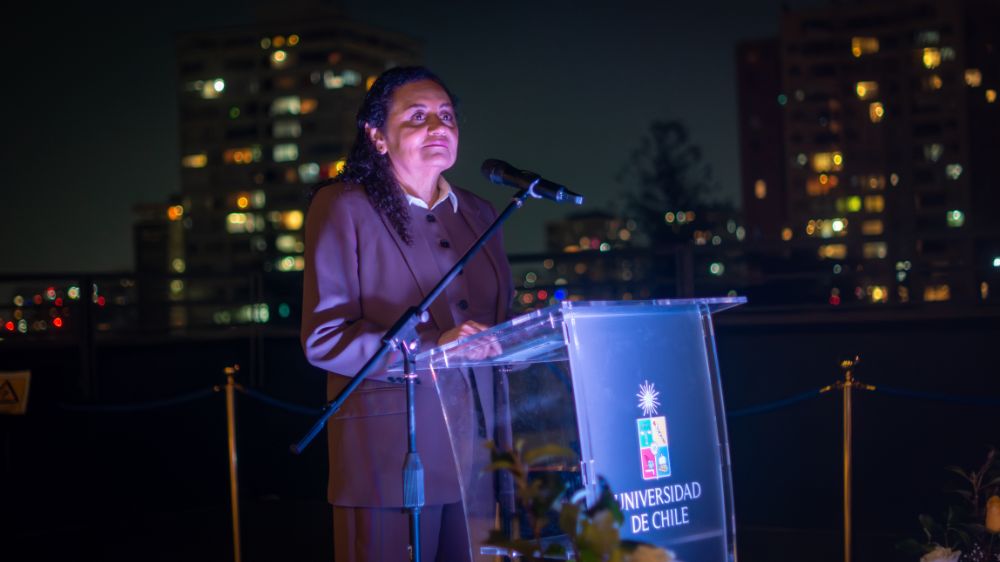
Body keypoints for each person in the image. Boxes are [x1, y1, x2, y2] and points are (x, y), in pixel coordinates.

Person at [300, 66, 514, 561]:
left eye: (446, 115)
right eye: (417, 116)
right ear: (377, 135)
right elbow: (324, 338)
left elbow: (499, 322)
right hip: (391, 452)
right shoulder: (343, 205)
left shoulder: (481, 213)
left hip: (480, 453)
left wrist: (516, 343)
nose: (438, 126)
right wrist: (431, 348)